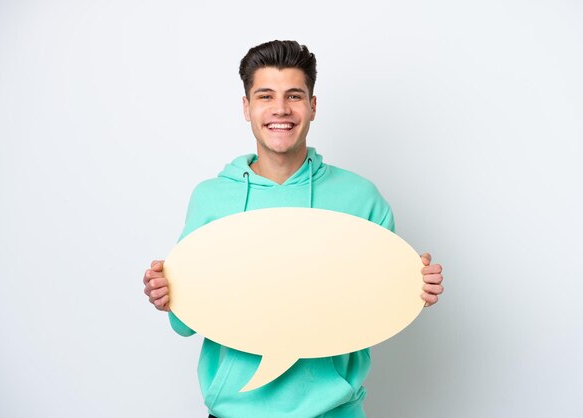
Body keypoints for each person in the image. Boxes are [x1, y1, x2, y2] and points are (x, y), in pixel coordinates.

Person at [142, 40, 444, 418]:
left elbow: (376, 304)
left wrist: (413, 285)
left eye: (294, 96)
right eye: (265, 95)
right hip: (234, 412)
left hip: (335, 412)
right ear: (246, 107)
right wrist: (166, 293)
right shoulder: (211, 198)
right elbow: (186, 323)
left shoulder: (360, 198)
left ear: (313, 106)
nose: (280, 109)